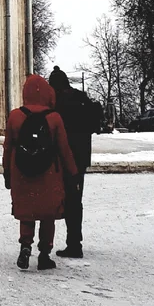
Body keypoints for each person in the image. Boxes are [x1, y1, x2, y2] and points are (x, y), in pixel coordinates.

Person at [3, 75, 78, 271]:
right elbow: (64, 149)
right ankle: (45, 254)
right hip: (49, 173)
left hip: (22, 171)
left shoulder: (15, 116)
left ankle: (25, 245)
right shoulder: (54, 118)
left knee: (27, 211)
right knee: (48, 213)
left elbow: (8, 147)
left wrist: (7, 172)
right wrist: (72, 173)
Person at [48, 66, 103, 259]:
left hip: (63, 158)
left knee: (61, 200)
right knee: (75, 200)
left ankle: (69, 244)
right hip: (81, 158)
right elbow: (93, 126)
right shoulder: (82, 99)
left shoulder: (58, 103)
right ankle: (74, 240)